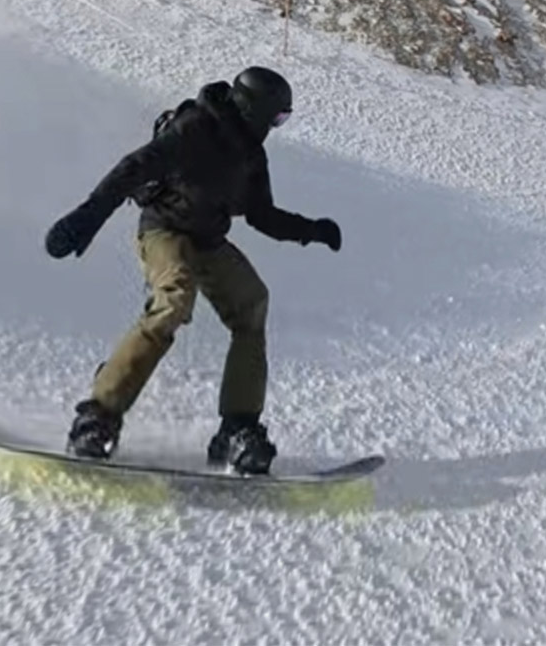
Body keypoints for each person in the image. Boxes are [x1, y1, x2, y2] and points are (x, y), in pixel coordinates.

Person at [43, 66, 342, 473]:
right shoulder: (196, 128)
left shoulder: (251, 154)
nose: (277, 126)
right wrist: (87, 217)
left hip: (208, 241)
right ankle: (98, 415)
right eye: (278, 117)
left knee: (252, 302)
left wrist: (312, 230)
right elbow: (134, 168)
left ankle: (236, 430)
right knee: (175, 298)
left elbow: (261, 215)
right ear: (256, 109)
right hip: (164, 231)